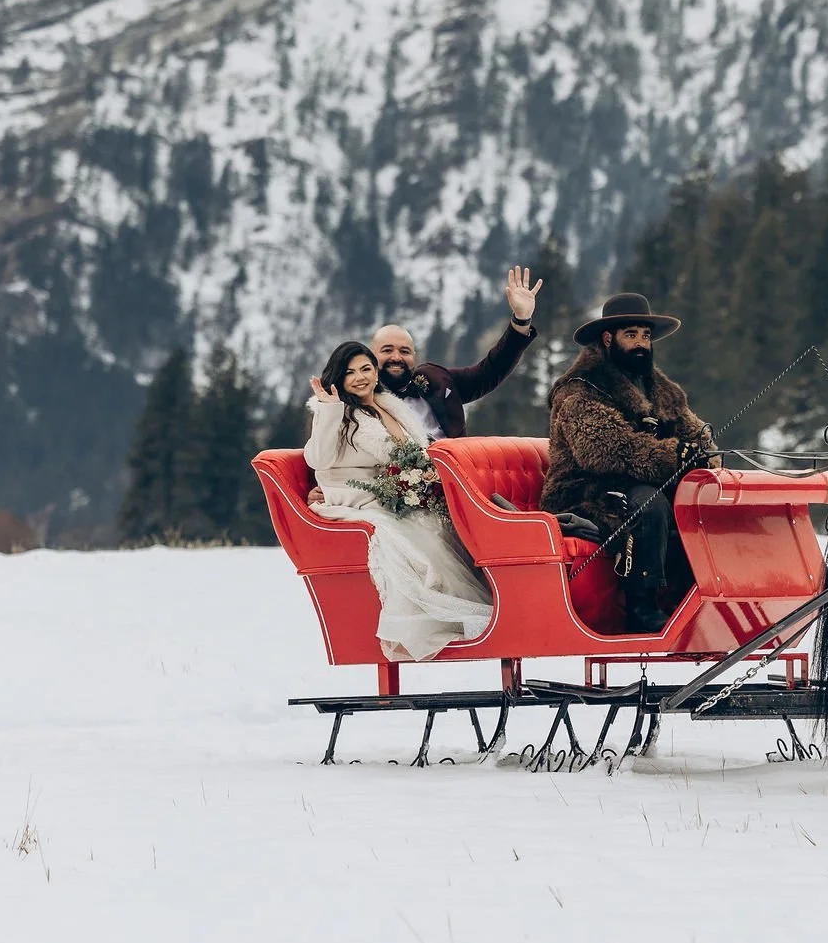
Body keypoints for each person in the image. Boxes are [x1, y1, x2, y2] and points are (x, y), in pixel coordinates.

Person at [303, 340, 494, 662]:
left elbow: (415, 452)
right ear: (339, 377)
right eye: (350, 372)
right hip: (357, 497)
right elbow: (317, 459)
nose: (360, 378)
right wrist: (328, 409)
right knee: (418, 536)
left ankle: (497, 602)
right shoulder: (339, 411)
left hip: (396, 492)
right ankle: (437, 616)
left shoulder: (387, 404)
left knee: (447, 523)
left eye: (366, 369)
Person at [541, 293, 717, 633]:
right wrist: (672, 456)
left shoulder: (660, 388)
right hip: (583, 489)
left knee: (692, 501)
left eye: (646, 335)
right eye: (631, 335)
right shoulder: (579, 388)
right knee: (649, 505)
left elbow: (694, 431)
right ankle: (641, 607)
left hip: (641, 481)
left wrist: (700, 453)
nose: (641, 344)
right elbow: (607, 450)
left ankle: (694, 598)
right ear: (608, 339)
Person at [307, 267, 543, 504]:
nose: (397, 357)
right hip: (407, 497)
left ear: (414, 356)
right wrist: (326, 491)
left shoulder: (436, 379)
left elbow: (490, 370)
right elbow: (335, 453)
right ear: (372, 358)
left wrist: (520, 321)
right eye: (387, 350)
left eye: (405, 351)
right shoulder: (356, 407)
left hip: (463, 481)